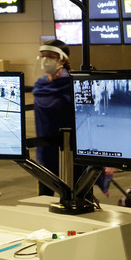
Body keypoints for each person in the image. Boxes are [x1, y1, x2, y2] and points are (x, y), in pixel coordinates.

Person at [33, 39, 81, 196]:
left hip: (68, 150)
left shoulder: (70, 84)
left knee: (74, 192)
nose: (46, 60)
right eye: (43, 56)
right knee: (45, 194)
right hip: (45, 148)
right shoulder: (41, 84)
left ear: (62, 58)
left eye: (51, 56)